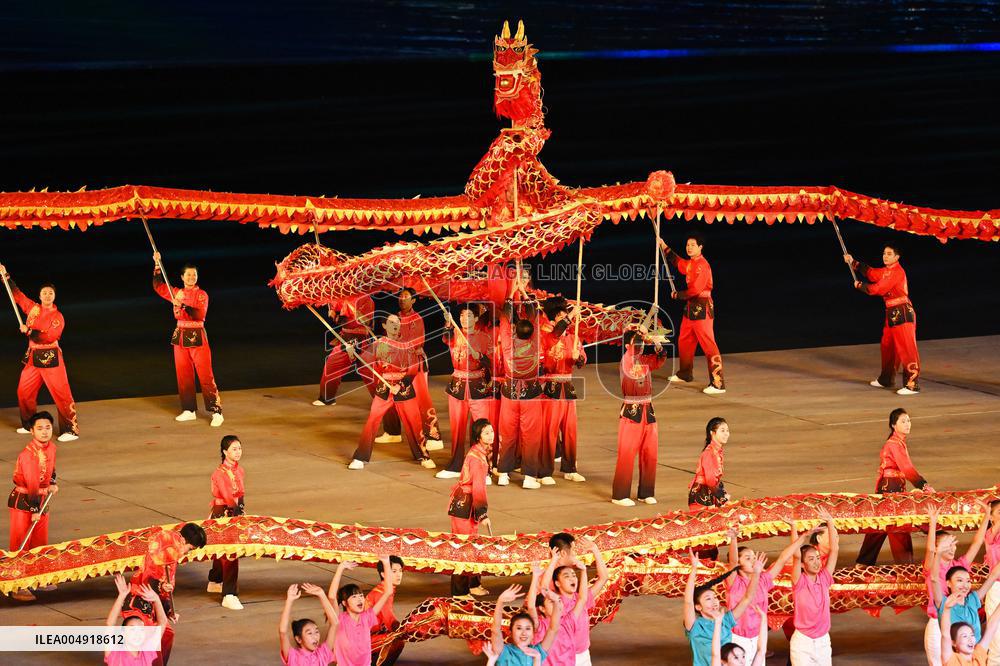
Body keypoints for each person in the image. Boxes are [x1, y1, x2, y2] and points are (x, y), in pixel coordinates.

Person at [0, 264, 79, 441]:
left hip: (50, 356)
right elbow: (18, 296)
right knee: (24, 391)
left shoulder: (57, 317)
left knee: (61, 392)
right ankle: (29, 424)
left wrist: (28, 331)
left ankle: (70, 430)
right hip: (33, 357)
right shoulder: (33, 308)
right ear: (40, 295)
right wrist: (6, 276)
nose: (47, 295)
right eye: (44, 293)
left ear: (54, 296)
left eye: (50, 293)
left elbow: (49, 336)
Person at [348, 314, 434, 470]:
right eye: (392, 323)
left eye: (398, 323)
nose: (395, 325)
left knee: (414, 421)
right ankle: (360, 457)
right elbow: (363, 360)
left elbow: (413, 368)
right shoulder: (379, 344)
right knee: (372, 420)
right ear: (384, 326)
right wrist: (352, 352)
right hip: (384, 387)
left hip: (404, 387)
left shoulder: (407, 345)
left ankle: (423, 455)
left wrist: (400, 385)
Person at [725, 520, 814, 663]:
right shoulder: (734, 582)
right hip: (737, 638)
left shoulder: (762, 579)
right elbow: (733, 562)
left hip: (758, 637)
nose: (753, 560)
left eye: (754, 557)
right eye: (748, 558)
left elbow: (783, 558)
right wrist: (734, 539)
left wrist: (803, 536)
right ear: (739, 564)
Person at [856, 407, 935, 565]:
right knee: (898, 526)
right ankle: (905, 565)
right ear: (893, 425)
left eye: (909, 420)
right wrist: (923, 485)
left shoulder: (898, 442)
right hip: (891, 490)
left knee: (880, 525)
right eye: (903, 421)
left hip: (891, 488)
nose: (908, 424)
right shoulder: (894, 444)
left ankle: (864, 562)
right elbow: (907, 469)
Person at [152, 252, 223, 426]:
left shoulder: (202, 295)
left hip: (198, 336)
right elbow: (158, 286)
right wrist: (156, 265)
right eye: (188, 274)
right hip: (180, 336)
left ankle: (216, 411)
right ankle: (189, 409)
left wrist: (182, 305)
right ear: (182, 277)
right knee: (183, 374)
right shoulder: (176, 292)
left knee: (205, 374)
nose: (192, 277)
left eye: (194, 274)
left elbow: (199, 314)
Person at [122, 522, 208, 666]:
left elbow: (161, 590)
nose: (188, 552)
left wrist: (168, 610)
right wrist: (162, 586)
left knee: (167, 634)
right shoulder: (165, 549)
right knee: (152, 639)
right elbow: (148, 581)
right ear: (184, 541)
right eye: (190, 548)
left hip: (153, 602)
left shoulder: (171, 555)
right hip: (140, 602)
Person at [843, 244, 921, 395]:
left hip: (903, 312)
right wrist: (854, 263)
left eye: (889, 254)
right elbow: (872, 273)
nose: (885, 256)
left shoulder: (897, 272)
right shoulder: (886, 271)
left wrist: (860, 285)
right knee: (887, 346)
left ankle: (912, 383)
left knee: (906, 347)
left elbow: (879, 288)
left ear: (897, 257)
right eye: (884, 253)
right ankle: (886, 379)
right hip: (892, 312)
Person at [659, 235, 726, 394]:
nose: (689, 247)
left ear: (700, 247)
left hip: (702, 309)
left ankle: (718, 383)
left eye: (693, 245)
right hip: (691, 308)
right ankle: (685, 373)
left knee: (709, 344)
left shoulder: (702, 265)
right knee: (685, 341)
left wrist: (678, 295)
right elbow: (679, 263)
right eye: (687, 244)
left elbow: (696, 289)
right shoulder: (691, 263)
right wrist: (664, 246)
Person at [436, 305, 495, 480]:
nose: (463, 319)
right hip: (457, 387)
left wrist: (480, 357)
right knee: (457, 428)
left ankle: (486, 469)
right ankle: (455, 465)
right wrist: (448, 323)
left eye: (468, 315)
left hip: (478, 387)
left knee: (484, 430)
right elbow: (445, 338)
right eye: (461, 315)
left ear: (476, 319)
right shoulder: (455, 333)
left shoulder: (484, 337)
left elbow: (493, 363)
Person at [611, 329, 667, 507]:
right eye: (637, 342)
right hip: (632, 411)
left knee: (650, 453)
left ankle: (646, 492)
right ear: (628, 346)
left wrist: (657, 345)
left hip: (648, 410)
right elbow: (632, 362)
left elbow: (658, 361)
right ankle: (619, 495)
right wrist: (638, 333)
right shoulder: (626, 359)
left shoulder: (643, 360)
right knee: (627, 453)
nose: (641, 345)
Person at [924, 511, 987, 666]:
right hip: (937, 624)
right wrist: (933, 522)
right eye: (947, 546)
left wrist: (987, 515)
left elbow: (977, 543)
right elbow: (930, 550)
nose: (952, 549)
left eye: (953, 545)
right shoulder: (932, 567)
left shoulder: (959, 567)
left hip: (959, 625)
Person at [8, 411, 59, 602]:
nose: (45, 432)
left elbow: (52, 469)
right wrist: (35, 509)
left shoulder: (51, 448)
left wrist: (52, 481)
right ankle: (18, 585)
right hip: (25, 502)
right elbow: (31, 485)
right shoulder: (28, 455)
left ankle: (38, 579)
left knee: (40, 543)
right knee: (21, 544)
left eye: (48, 428)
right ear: (31, 431)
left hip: (42, 500)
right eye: (40, 428)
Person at [684, 548, 766, 666]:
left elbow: (747, 598)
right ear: (698, 607)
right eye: (708, 599)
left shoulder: (726, 620)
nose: (714, 601)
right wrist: (694, 569)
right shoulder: (695, 626)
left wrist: (756, 573)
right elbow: (688, 602)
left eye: (715, 597)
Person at [496, 296, 544, 488]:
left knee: (507, 433)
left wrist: (508, 302)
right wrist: (529, 301)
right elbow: (536, 319)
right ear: (532, 333)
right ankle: (530, 478)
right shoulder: (535, 343)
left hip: (509, 394)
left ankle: (503, 474)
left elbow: (504, 322)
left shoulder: (508, 345)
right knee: (531, 436)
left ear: (516, 331)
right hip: (530, 395)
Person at [539, 298, 587, 485]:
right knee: (549, 430)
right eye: (561, 315)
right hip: (551, 386)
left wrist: (578, 359)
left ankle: (570, 468)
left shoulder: (573, 337)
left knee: (570, 430)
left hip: (567, 386)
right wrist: (571, 317)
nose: (566, 318)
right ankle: (544, 471)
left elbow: (582, 361)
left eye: (566, 314)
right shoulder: (547, 334)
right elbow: (555, 335)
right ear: (553, 318)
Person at [789, 507, 840, 666]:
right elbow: (796, 555)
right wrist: (794, 528)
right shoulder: (799, 581)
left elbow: (835, 550)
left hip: (823, 642)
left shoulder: (824, 578)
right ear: (803, 565)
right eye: (811, 559)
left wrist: (830, 521)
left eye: (817, 558)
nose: (817, 562)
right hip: (803, 642)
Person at [448, 418, 493, 597]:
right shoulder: (477, 459)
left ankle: (473, 583)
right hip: (464, 505)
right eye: (486, 433)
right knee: (463, 548)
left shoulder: (480, 453)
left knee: (473, 544)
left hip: (468, 503)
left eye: (491, 431)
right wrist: (483, 514)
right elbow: (478, 488)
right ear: (478, 436)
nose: (491, 435)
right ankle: (459, 592)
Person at [396, 288, 443, 449]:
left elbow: (416, 343)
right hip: (398, 364)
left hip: (415, 364)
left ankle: (434, 436)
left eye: (406, 297)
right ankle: (393, 432)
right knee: (392, 400)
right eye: (400, 296)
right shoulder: (395, 318)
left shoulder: (416, 319)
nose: (402, 299)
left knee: (422, 400)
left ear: (414, 301)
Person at [327, 557, 395, 666]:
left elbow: (388, 592)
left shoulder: (367, 617)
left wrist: (386, 563)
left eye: (361, 596)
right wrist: (340, 569)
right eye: (354, 596)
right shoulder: (339, 620)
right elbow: (331, 597)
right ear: (344, 603)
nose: (360, 599)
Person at [930, 548, 1000, 648]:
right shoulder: (943, 603)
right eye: (959, 580)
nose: (965, 585)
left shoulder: (972, 600)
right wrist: (939, 553)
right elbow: (934, 579)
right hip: (954, 657)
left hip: (976, 656)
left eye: (968, 581)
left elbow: (993, 576)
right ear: (948, 583)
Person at [314, 296, 376, 407]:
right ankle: (327, 398)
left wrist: (352, 311)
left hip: (362, 340)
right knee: (331, 366)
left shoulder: (367, 300)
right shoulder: (342, 298)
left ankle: (382, 399)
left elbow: (367, 321)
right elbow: (340, 318)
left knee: (370, 372)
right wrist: (333, 313)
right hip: (345, 339)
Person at [207, 435, 245, 610]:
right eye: (234, 449)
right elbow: (227, 495)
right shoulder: (219, 473)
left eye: (239, 448)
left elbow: (240, 492)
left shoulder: (239, 470)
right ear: (225, 452)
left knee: (220, 549)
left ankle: (215, 580)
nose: (238, 452)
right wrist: (234, 509)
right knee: (230, 552)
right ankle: (229, 594)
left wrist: (241, 507)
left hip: (235, 511)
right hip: (223, 513)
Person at [490, 583, 562, 666]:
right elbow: (495, 630)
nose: (524, 633)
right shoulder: (504, 652)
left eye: (528, 629)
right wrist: (500, 602)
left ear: (533, 633)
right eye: (519, 628)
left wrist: (556, 601)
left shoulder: (537, 651)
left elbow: (553, 629)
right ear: (511, 631)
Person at [689, 417, 731, 558]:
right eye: (722, 430)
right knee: (703, 534)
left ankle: (710, 560)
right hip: (702, 494)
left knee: (711, 534)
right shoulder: (709, 453)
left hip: (709, 493)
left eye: (727, 430)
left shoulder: (717, 451)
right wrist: (722, 496)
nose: (727, 434)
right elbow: (710, 480)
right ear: (712, 433)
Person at [106, 573, 165, 666]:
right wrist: (121, 596)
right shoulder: (115, 653)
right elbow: (110, 625)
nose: (137, 634)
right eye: (132, 629)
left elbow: (162, 624)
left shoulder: (147, 651)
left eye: (141, 630)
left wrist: (157, 600)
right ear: (123, 633)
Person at [278, 582, 339, 666]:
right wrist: (289, 601)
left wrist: (322, 595)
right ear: (299, 639)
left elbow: (334, 623)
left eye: (316, 632)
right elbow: (282, 632)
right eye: (309, 633)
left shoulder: (322, 653)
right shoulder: (293, 656)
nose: (315, 636)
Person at [940, 590, 1000, 666]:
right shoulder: (952, 660)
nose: (970, 639)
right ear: (954, 643)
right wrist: (946, 609)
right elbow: (945, 635)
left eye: (972, 635)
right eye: (964, 636)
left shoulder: (978, 655)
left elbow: (991, 628)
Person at [366, 555, 404, 665]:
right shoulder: (382, 593)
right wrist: (403, 628)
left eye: (400, 571)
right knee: (396, 641)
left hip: (371, 634)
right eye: (394, 571)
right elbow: (389, 620)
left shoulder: (383, 589)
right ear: (383, 574)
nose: (399, 575)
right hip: (363, 641)